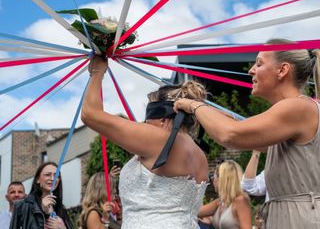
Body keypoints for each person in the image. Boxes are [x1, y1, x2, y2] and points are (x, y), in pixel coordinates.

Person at [174, 39, 320, 228]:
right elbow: (242, 134)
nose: (251, 70)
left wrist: (193, 105)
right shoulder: (299, 111)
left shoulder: (297, 107)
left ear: (282, 70)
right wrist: (216, 114)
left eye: (259, 63)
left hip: (301, 220)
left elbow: (230, 135)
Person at [81, 56, 209, 228]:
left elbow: (90, 114)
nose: (145, 124)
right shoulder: (200, 156)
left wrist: (97, 72)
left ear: (163, 119)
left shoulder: (161, 140)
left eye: (148, 118)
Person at [10, 161, 73, 229]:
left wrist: (63, 228)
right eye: (47, 174)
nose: (52, 178)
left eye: (56, 175)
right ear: (38, 179)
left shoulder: (61, 209)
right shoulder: (22, 206)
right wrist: (43, 212)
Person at [198, 160, 252, 229]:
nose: (213, 181)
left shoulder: (240, 201)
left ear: (222, 179)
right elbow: (195, 211)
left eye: (214, 177)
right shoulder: (220, 202)